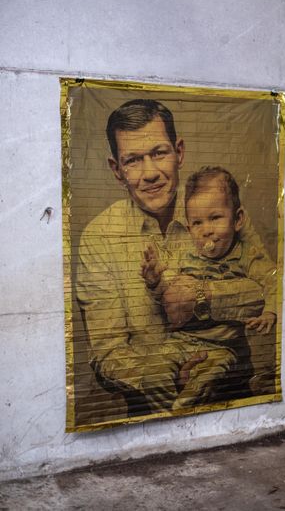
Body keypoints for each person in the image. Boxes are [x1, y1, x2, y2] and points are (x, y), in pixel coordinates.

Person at [76, 99, 268, 416]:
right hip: (147, 413)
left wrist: (202, 295)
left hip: (232, 400)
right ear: (117, 170)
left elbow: (264, 292)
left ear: (178, 152)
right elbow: (106, 352)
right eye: (133, 160)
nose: (150, 173)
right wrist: (163, 369)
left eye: (159, 153)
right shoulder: (98, 238)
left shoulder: (218, 207)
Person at [141, 166, 277, 406]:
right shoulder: (185, 254)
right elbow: (172, 297)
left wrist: (270, 311)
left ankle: (184, 411)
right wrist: (155, 282)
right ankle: (165, 418)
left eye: (215, 218)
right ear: (189, 227)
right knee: (152, 376)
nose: (207, 231)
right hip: (182, 340)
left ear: (237, 219)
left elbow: (272, 282)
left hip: (224, 348)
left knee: (203, 384)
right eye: (197, 223)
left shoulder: (247, 255)